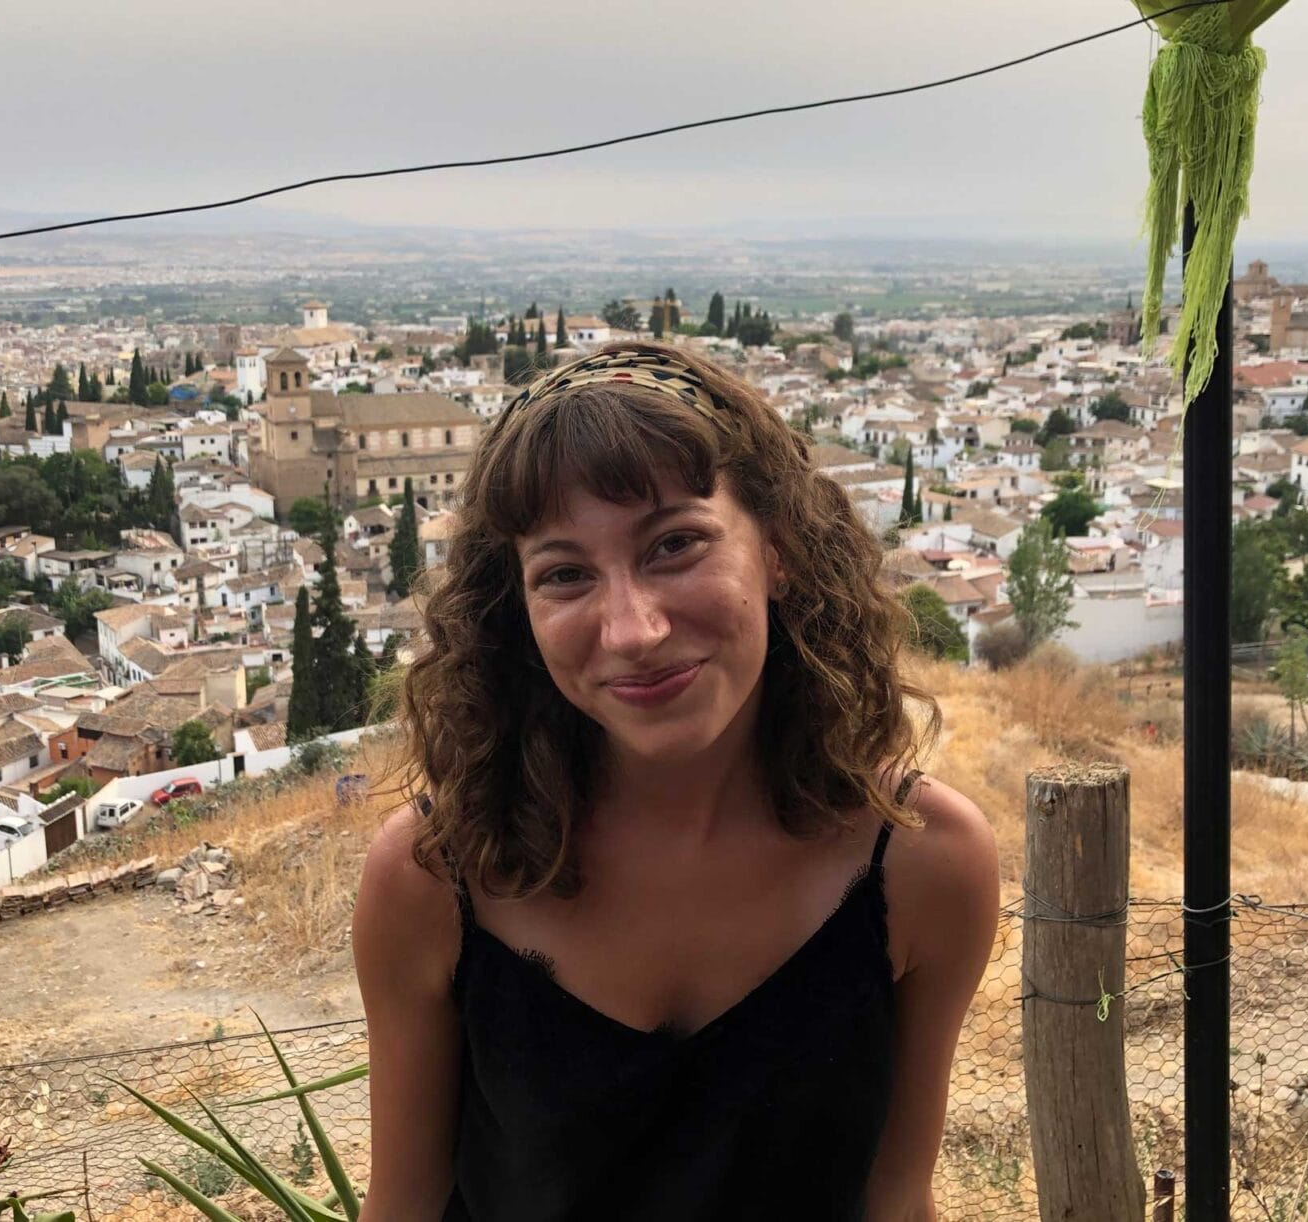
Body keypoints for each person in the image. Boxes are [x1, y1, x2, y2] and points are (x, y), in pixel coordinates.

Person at [354, 341, 999, 1220]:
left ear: (780, 552)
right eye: (566, 574)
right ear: (520, 610)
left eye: (675, 546)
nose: (632, 629)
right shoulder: (432, 879)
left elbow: (896, 1197)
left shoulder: (925, 865)